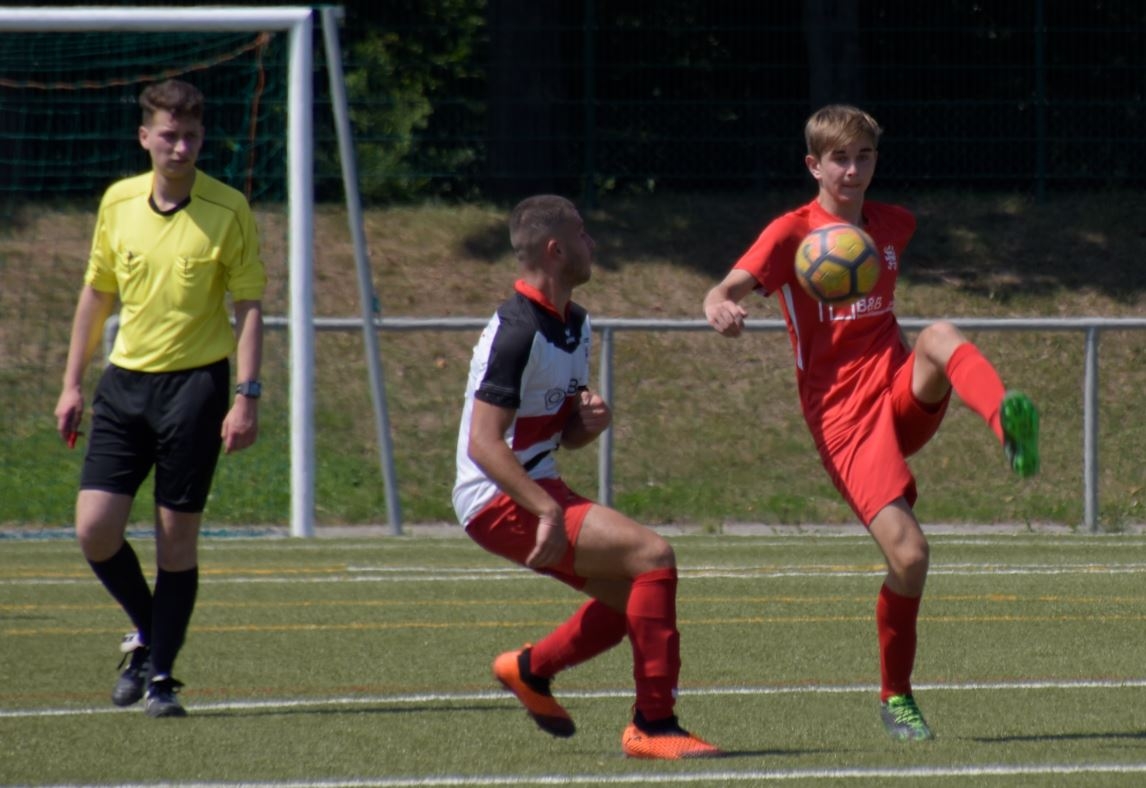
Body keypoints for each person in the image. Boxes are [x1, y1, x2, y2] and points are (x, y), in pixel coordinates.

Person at [702, 104, 1040, 741]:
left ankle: (1009, 428)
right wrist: (719, 306)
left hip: (895, 389)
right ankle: (896, 696)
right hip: (842, 419)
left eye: (864, 157)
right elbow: (723, 289)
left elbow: (889, 300)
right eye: (839, 159)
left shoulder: (893, 225)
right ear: (814, 165)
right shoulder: (790, 233)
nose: (852, 170)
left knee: (938, 334)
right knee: (911, 557)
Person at [452, 194, 722, 760]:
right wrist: (547, 510)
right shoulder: (516, 330)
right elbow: (483, 444)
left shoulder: (575, 323)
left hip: (535, 485)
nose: (592, 242)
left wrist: (586, 424)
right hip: (496, 495)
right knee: (653, 555)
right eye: (582, 233)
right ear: (556, 250)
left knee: (633, 599)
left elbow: (560, 434)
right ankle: (653, 725)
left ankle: (530, 669)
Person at [53, 79, 267, 718]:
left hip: (195, 389)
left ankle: (162, 679)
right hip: (124, 386)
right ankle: (150, 632)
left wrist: (246, 395)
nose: (181, 147)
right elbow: (98, 292)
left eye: (191, 136)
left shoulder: (229, 208)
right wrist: (71, 382)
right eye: (169, 135)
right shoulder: (118, 201)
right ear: (145, 136)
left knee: (177, 540)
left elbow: (249, 306)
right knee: (95, 530)